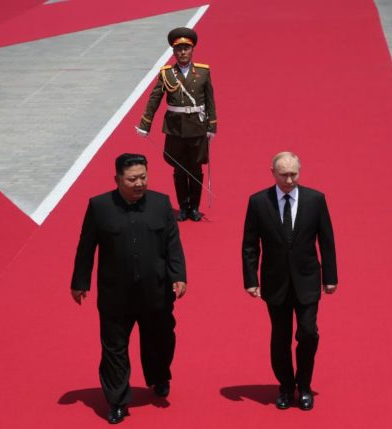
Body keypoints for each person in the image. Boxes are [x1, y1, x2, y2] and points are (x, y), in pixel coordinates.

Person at [70, 153, 187, 424]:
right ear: (117, 179)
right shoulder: (99, 206)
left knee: (161, 341)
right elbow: (86, 247)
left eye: (143, 177)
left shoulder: (161, 203)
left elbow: (173, 244)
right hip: (115, 295)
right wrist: (79, 282)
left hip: (156, 292)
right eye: (132, 178)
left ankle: (159, 377)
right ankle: (117, 400)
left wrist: (178, 275)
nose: (139, 183)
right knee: (114, 349)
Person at [241, 152, 338, 411]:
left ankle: (304, 386)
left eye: (293, 173)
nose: (289, 179)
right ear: (271, 172)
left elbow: (326, 241)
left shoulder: (315, 200)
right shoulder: (259, 202)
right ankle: (285, 386)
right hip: (275, 282)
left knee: (308, 332)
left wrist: (330, 277)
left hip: (307, 280)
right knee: (280, 337)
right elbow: (250, 245)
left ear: (300, 171)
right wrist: (251, 279)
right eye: (283, 174)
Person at [136, 27, 217, 222]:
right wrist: (145, 124)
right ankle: (183, 207)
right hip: (175, 129)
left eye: (186, 49)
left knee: (196, 169)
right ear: (173, 52)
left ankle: (195, 208)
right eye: (178, 49)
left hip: (197, 128)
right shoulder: (167, 74)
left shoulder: (203, 72)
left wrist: (212, 126)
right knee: (179, 169)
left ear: (192, 51)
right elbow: (154, 99)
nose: (182, 52)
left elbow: (210, 100)